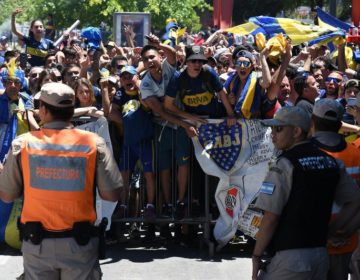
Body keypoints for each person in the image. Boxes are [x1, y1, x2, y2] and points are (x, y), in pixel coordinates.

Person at [0, 82, 123, 280]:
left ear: (44, 110)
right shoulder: (93, 142)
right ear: (71, 110)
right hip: (80, 245)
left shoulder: (23, 144)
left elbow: (7, 195)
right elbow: (112, 194)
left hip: (37, 246)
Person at [251, 106, 360, 279]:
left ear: (296, 131)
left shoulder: (285, 165)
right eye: (272, 129)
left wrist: (256, 256)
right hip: (320, 256)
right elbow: (355, 200)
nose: (273, 134)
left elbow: (270, 218)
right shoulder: (331, 162)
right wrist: (331, 231)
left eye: (278, 128)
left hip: (289, 260)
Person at [311, 98, 360, 280]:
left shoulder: (303, 154)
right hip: (345, 241)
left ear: (312, 121)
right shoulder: (356, 153)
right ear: (340, 124)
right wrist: (346, 231)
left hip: (311, 243)